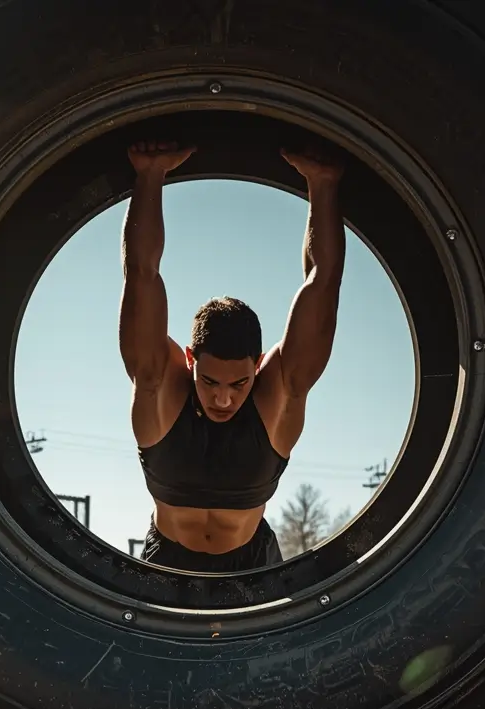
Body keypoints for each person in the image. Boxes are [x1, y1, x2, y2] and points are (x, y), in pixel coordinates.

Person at [119, 140, 345, 572]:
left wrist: (323, 186)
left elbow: (323, 282)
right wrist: (149, 176)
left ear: (258, 367)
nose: (223, 399)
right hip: (167, 564)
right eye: (210, 382)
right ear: (189, 360)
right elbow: (141, 274)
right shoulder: (159, 383)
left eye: (239, 384)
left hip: (253, 567)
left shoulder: (278, 393)